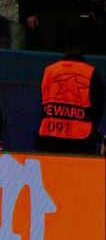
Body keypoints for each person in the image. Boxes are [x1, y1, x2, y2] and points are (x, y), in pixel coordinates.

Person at [35, 26, 105, 154]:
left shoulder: (49, 71)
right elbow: (98, 109)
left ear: (64, 44)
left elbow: (43, 101)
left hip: (50, 138)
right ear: (83, 45)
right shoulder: (91, 73)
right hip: (81, 141)